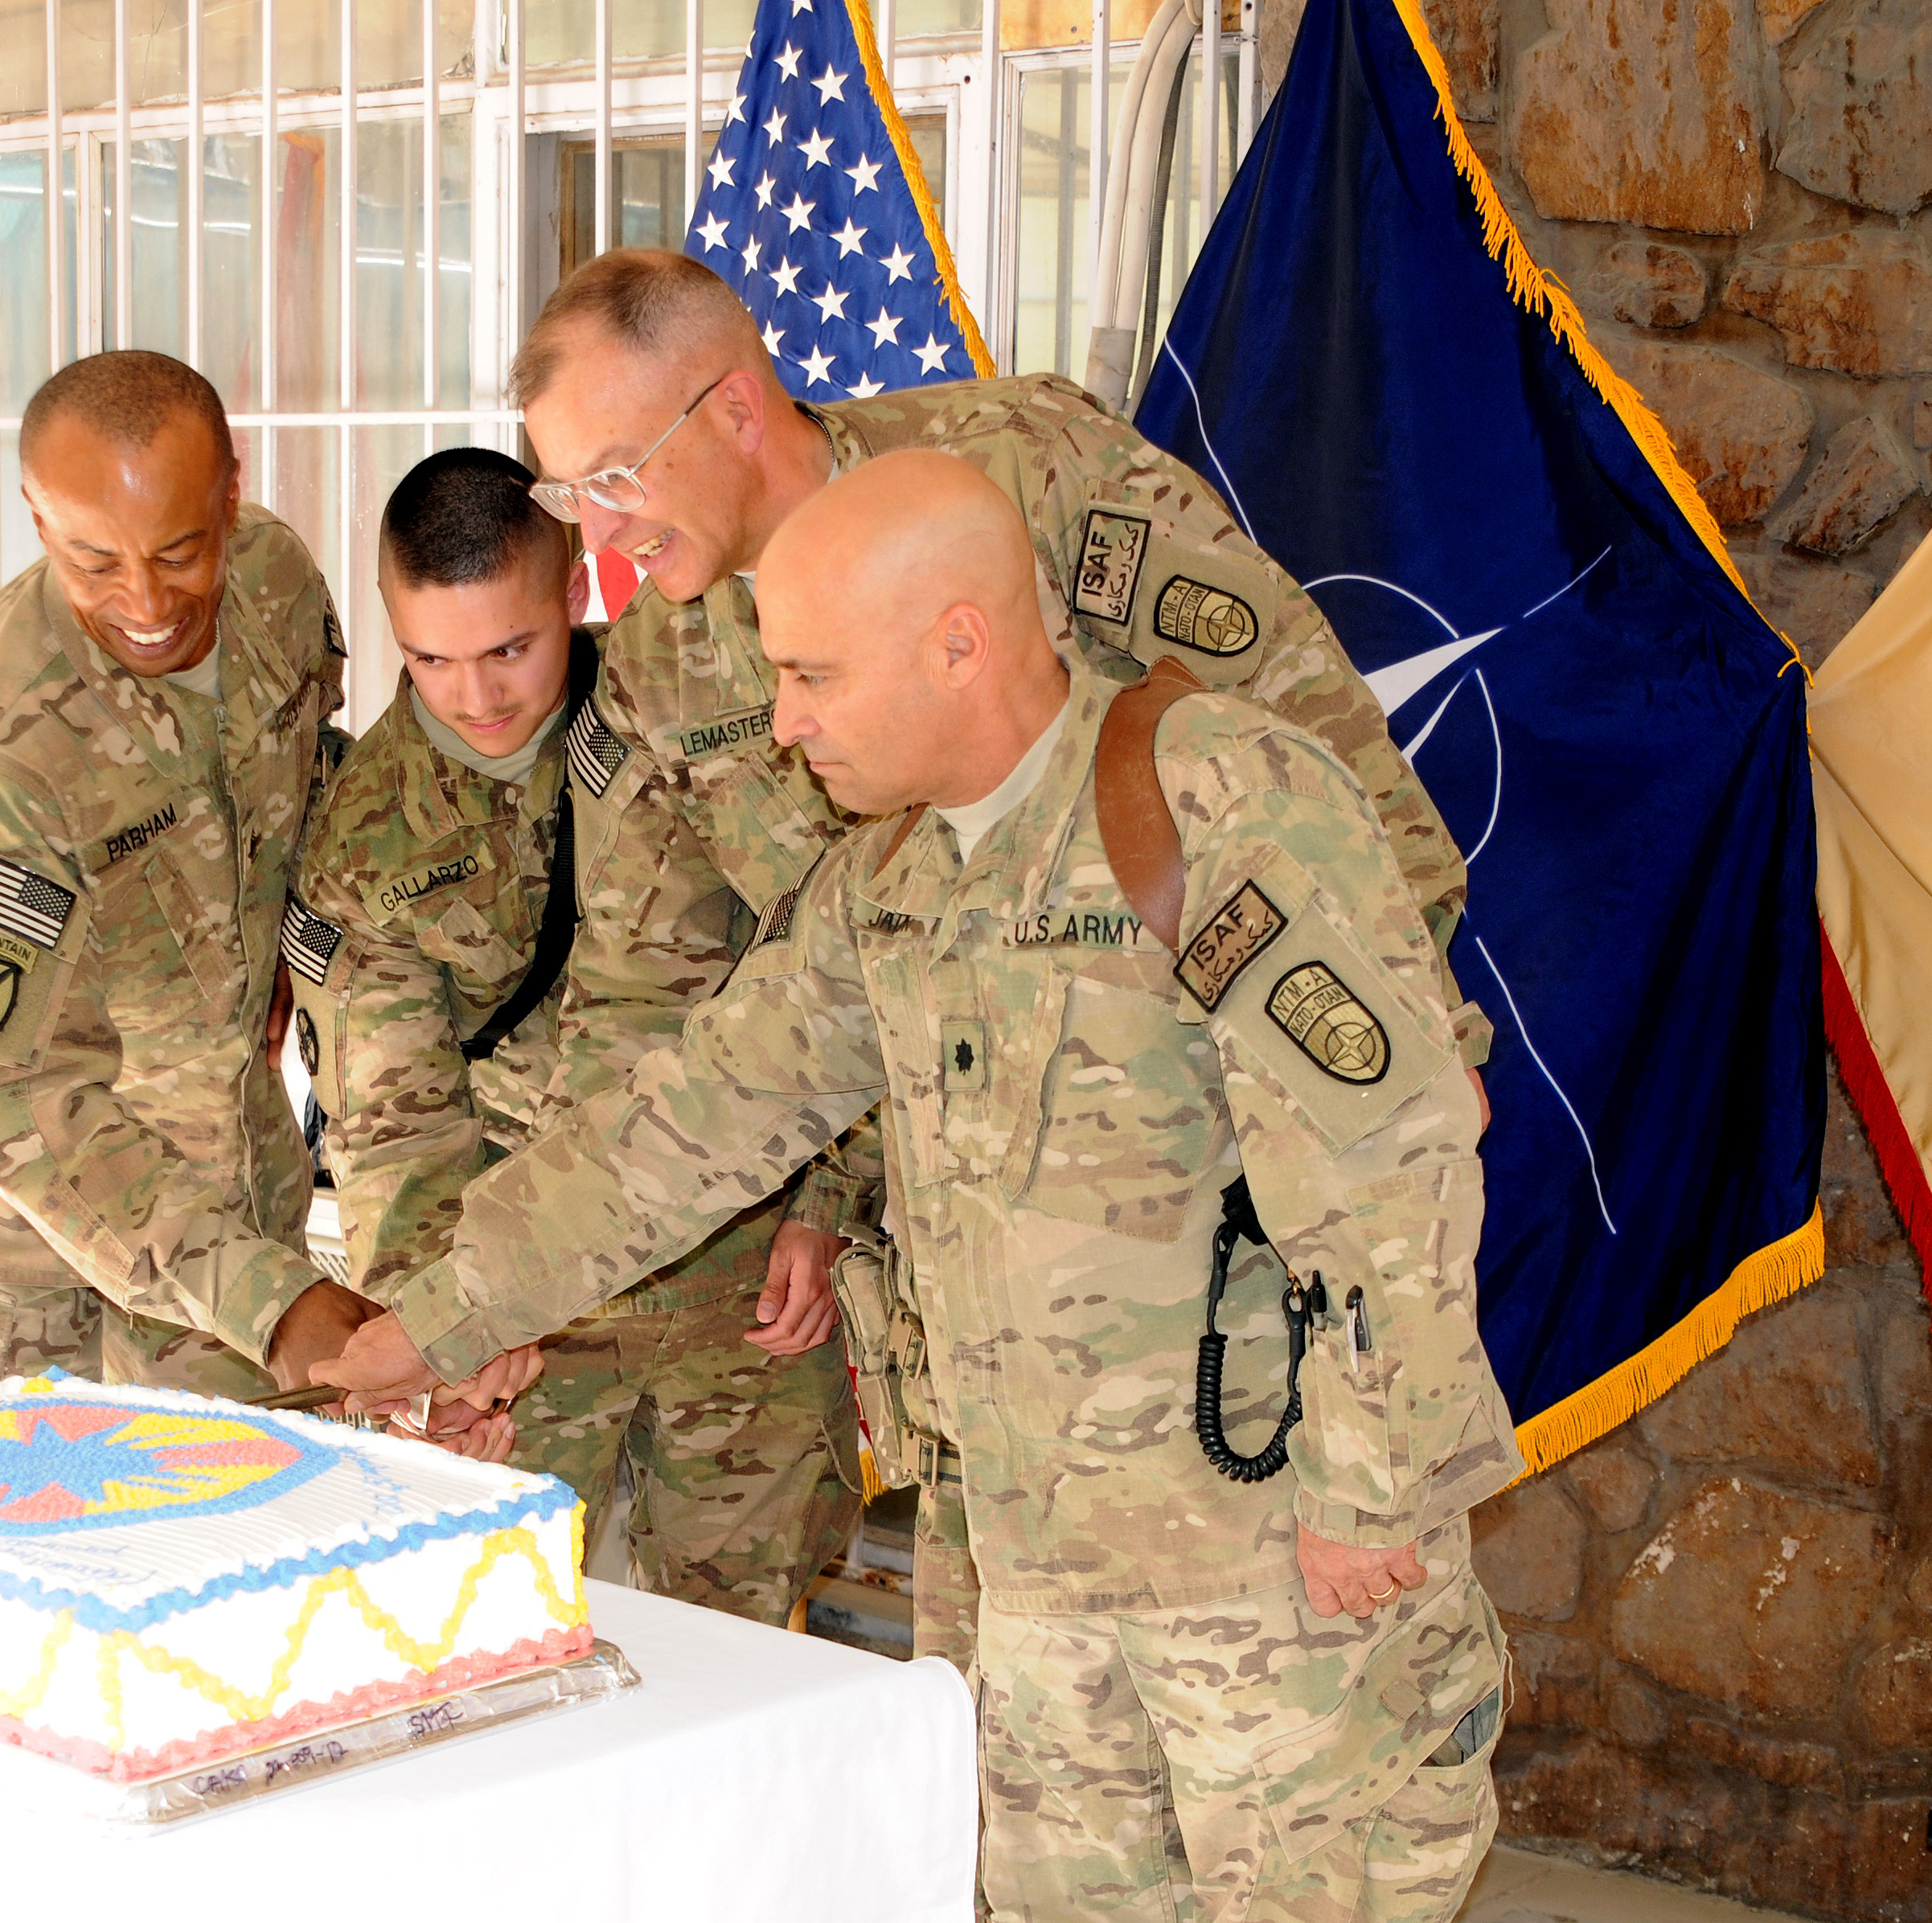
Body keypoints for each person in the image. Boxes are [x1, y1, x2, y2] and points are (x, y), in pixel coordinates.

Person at [326, 453, 1520, 1920]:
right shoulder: (891, 877)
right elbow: (692, 1120)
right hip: (1036, 1588)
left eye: (815, 676)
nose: (785, 721)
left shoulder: (1210, 801)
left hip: (1274, 1575)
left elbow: (1384, 1165)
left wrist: (1377, 1492)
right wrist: (438, 1316)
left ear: (957, 642)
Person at [504, 248, 1490, 1674]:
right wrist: (803, 1201)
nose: (598, 537)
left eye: (613, 476)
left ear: (729, 407)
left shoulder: (1020, 472)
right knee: (1012, 1760)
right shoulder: (665, 654)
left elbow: (1309, 751)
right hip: (980, 1278)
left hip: (1209, 1248)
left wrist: (1410, 1055)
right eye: (566, 494)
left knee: (1284, 1734)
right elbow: (752, 980)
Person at [288, 447, 859, 1620]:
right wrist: (449, 1342)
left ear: (574, 593)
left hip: (741, 1294)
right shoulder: (365, 834)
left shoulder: (699, 722)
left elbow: (835, 961)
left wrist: (829, 1202)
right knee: (500, 1634)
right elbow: (395, 1125)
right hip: (528, 1323)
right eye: (432, 659)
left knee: (749, 1659)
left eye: (510, 649)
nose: (477, 696)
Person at [0, 348, 379, 1401]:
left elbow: (308, 769)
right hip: (0, 1256)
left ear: (231, 490)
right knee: (13, 1544)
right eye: (95, 562)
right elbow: (11, 1085)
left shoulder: (274, 579)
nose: (147, 600)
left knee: (228, 1527)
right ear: (38, 523)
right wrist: (266, 1302)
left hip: (214, 1171)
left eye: (179, 550)